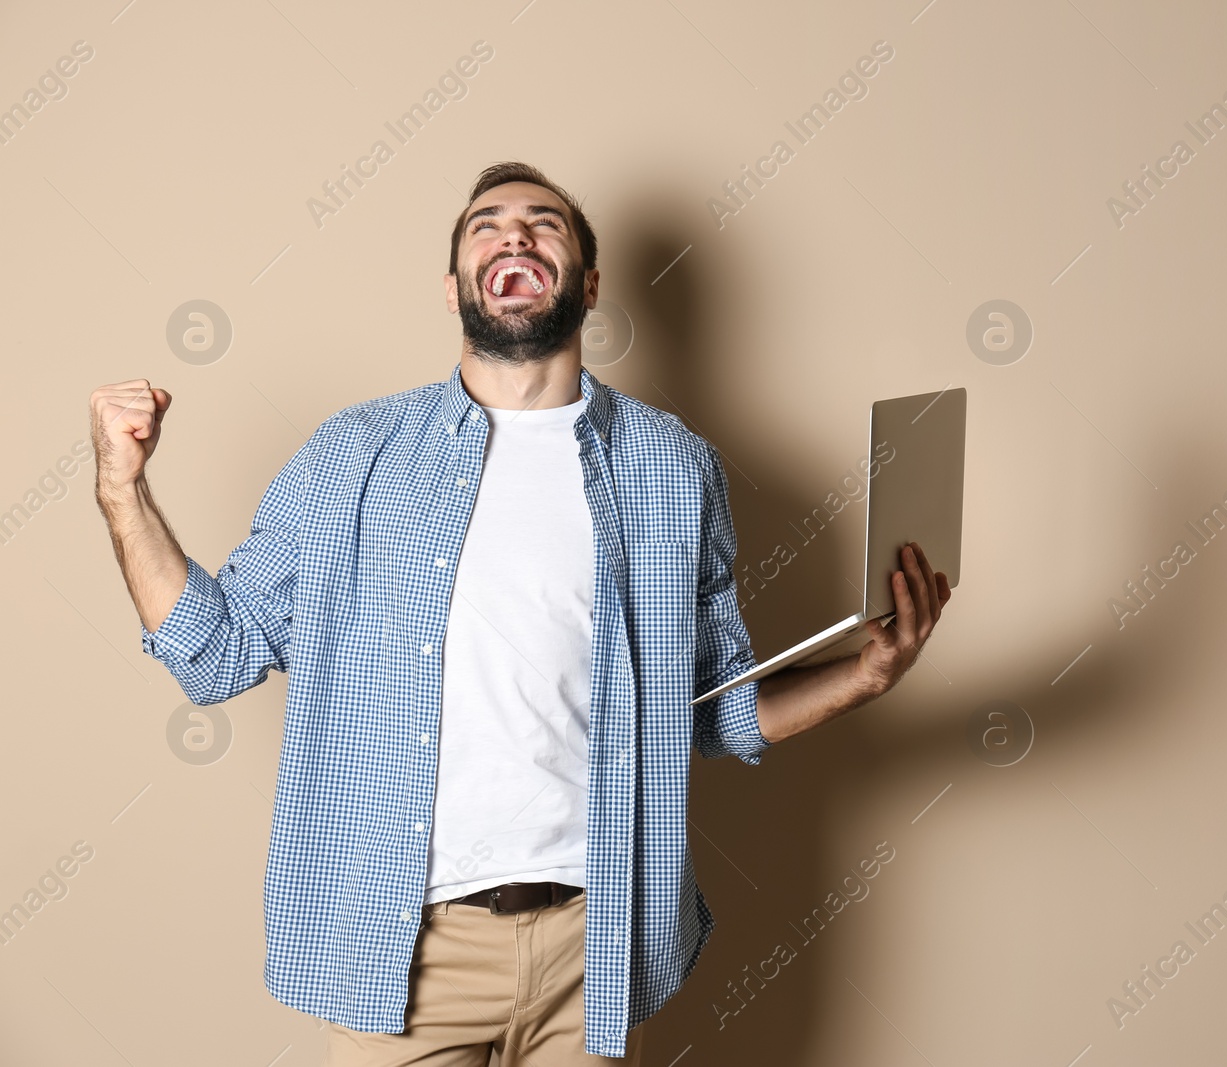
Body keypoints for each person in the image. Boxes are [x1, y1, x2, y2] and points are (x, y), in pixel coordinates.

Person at [89, 161, 952, 1065]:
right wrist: (123, 491)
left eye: (544, 224)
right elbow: (213, 654)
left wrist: (864, 674)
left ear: (587, 282)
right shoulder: (352, 457)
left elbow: (708, 711)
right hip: (405, 952)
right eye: (485, 226)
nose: (515, 234)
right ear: (456, 283)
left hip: (598, 946)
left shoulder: (672, 466)